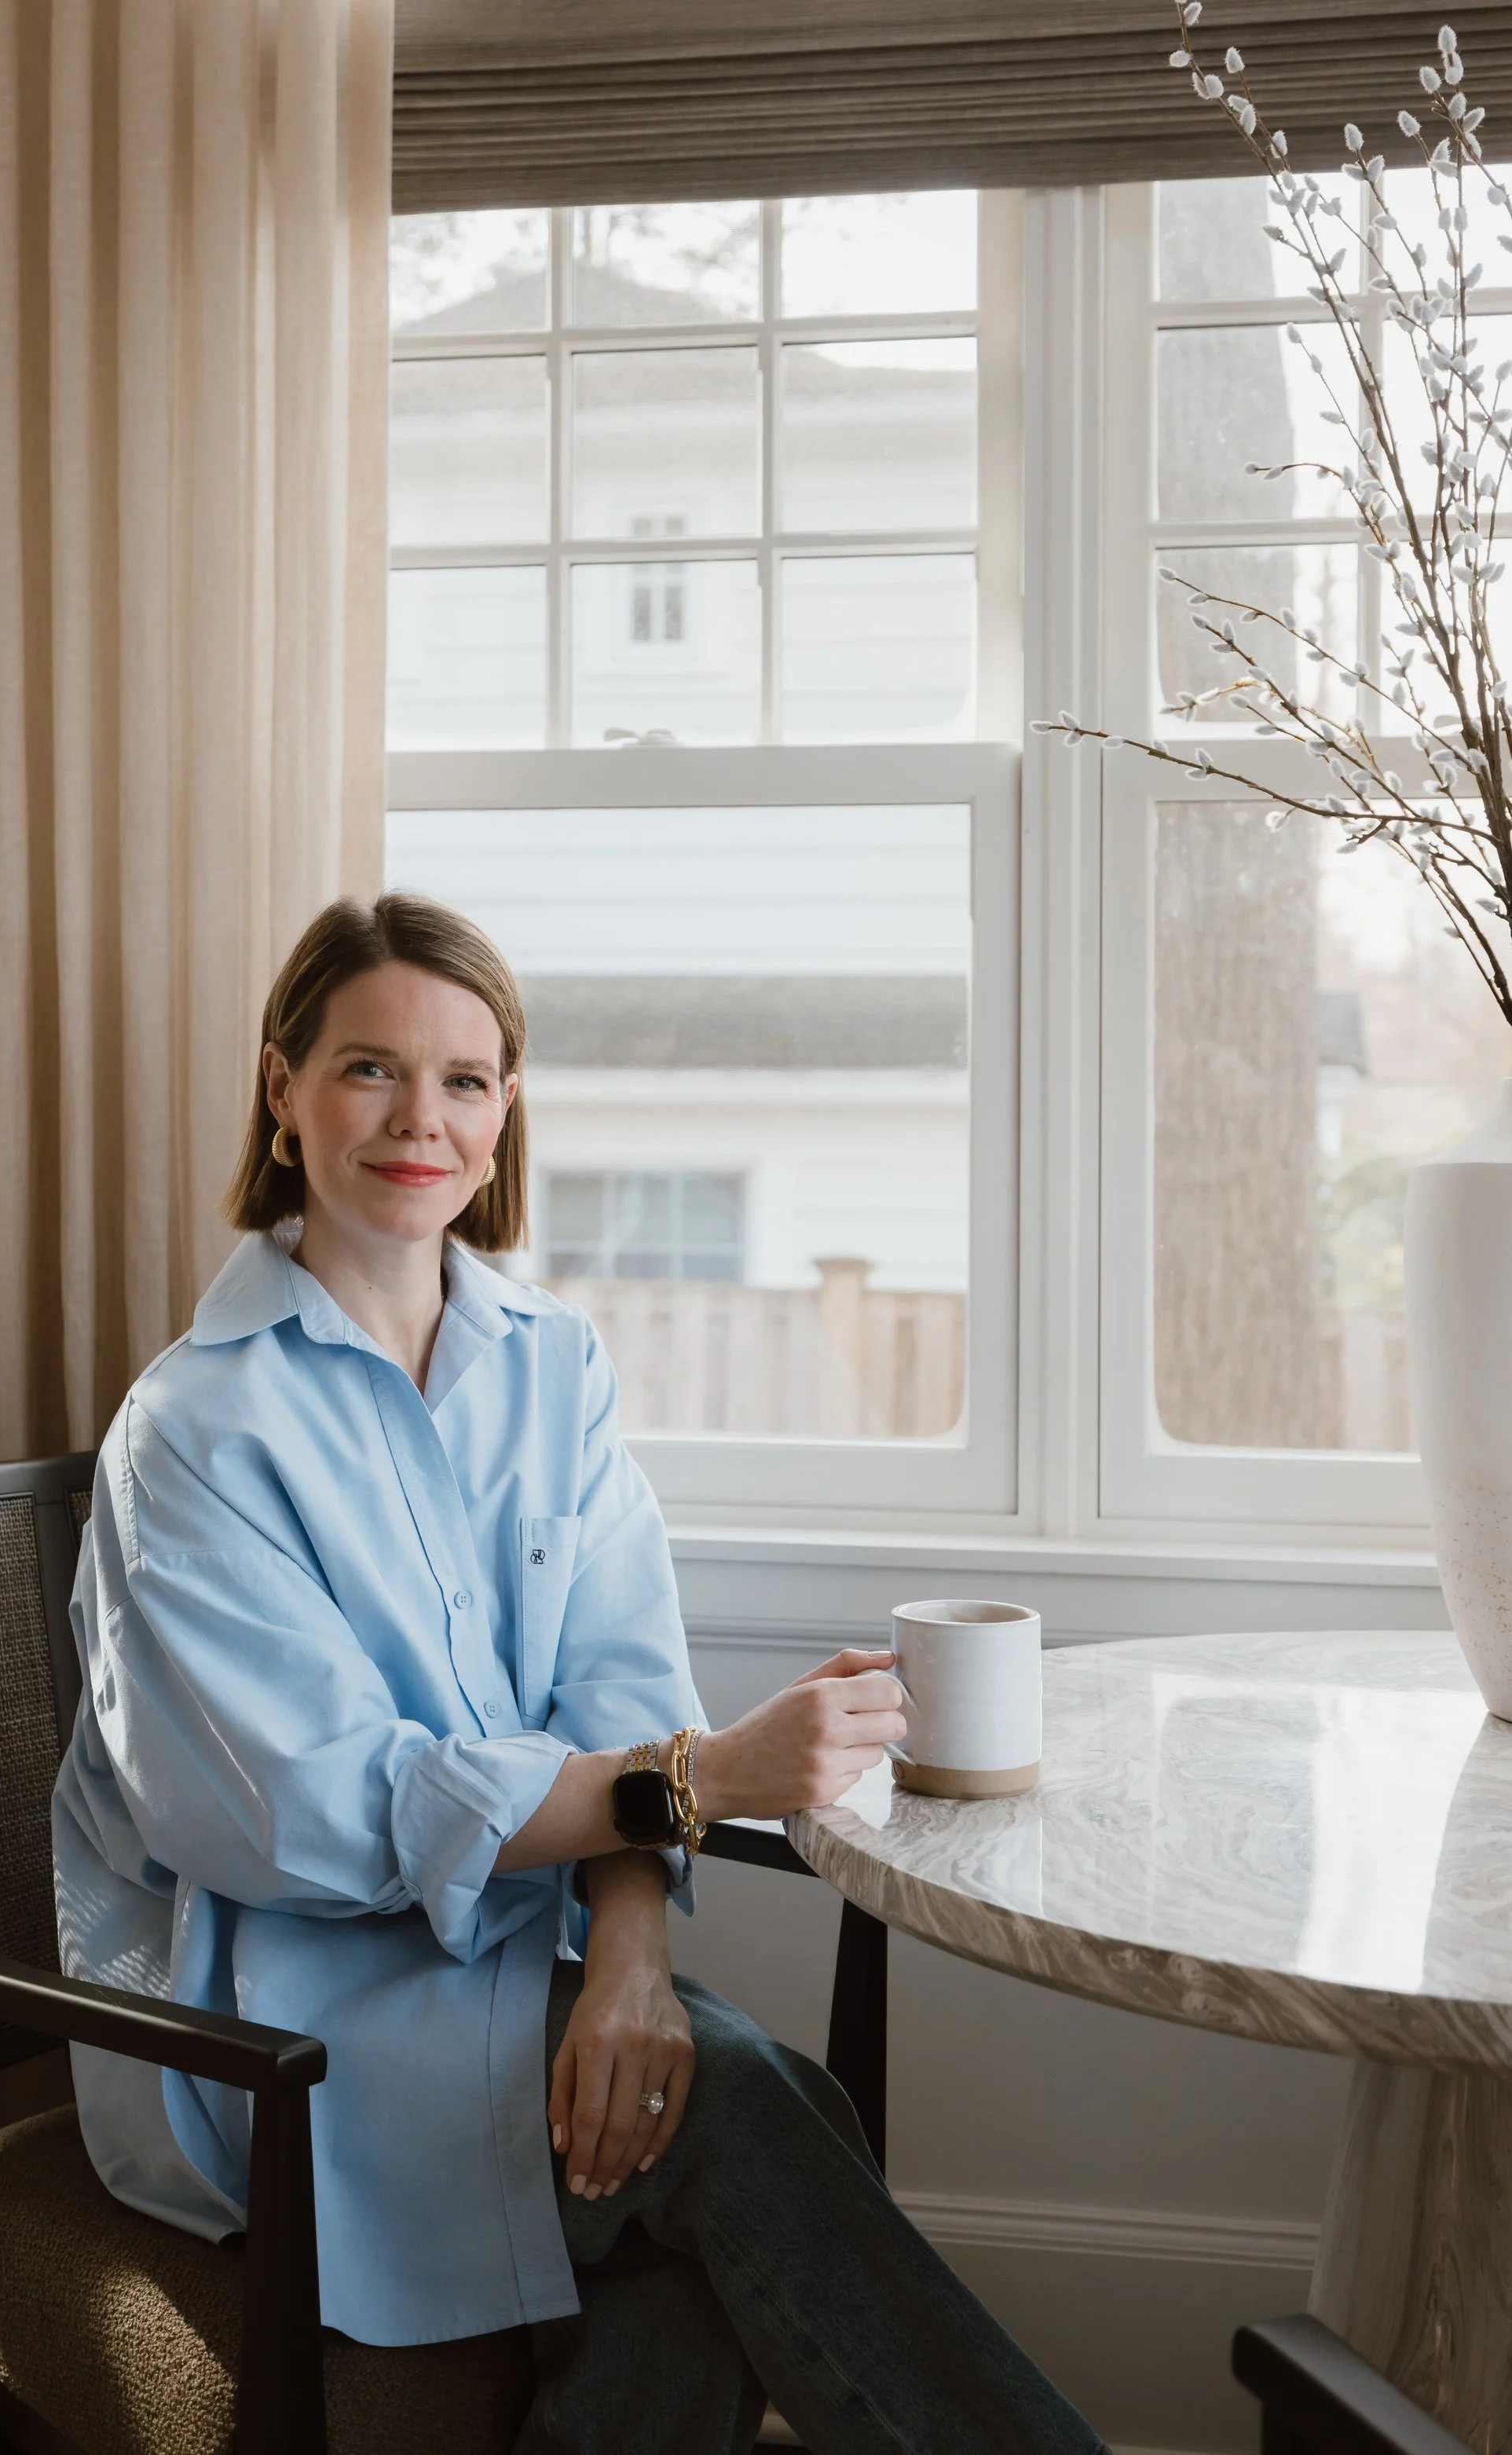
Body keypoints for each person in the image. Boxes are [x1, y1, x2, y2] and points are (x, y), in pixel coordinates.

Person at [53, 892, 1105, 2455]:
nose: (422, 1117)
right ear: (281, 1087)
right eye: (368, 1069)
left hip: (526, 1977)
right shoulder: (197, 1430)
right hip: (275, 2034)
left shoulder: (555, 1363)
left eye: (466, 1079)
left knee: (708, 2175)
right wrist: (694, 1781)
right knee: (752, 2114)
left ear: (504, 1110)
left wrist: (628, 1958)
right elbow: (299, 1813)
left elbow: (619, 1697)